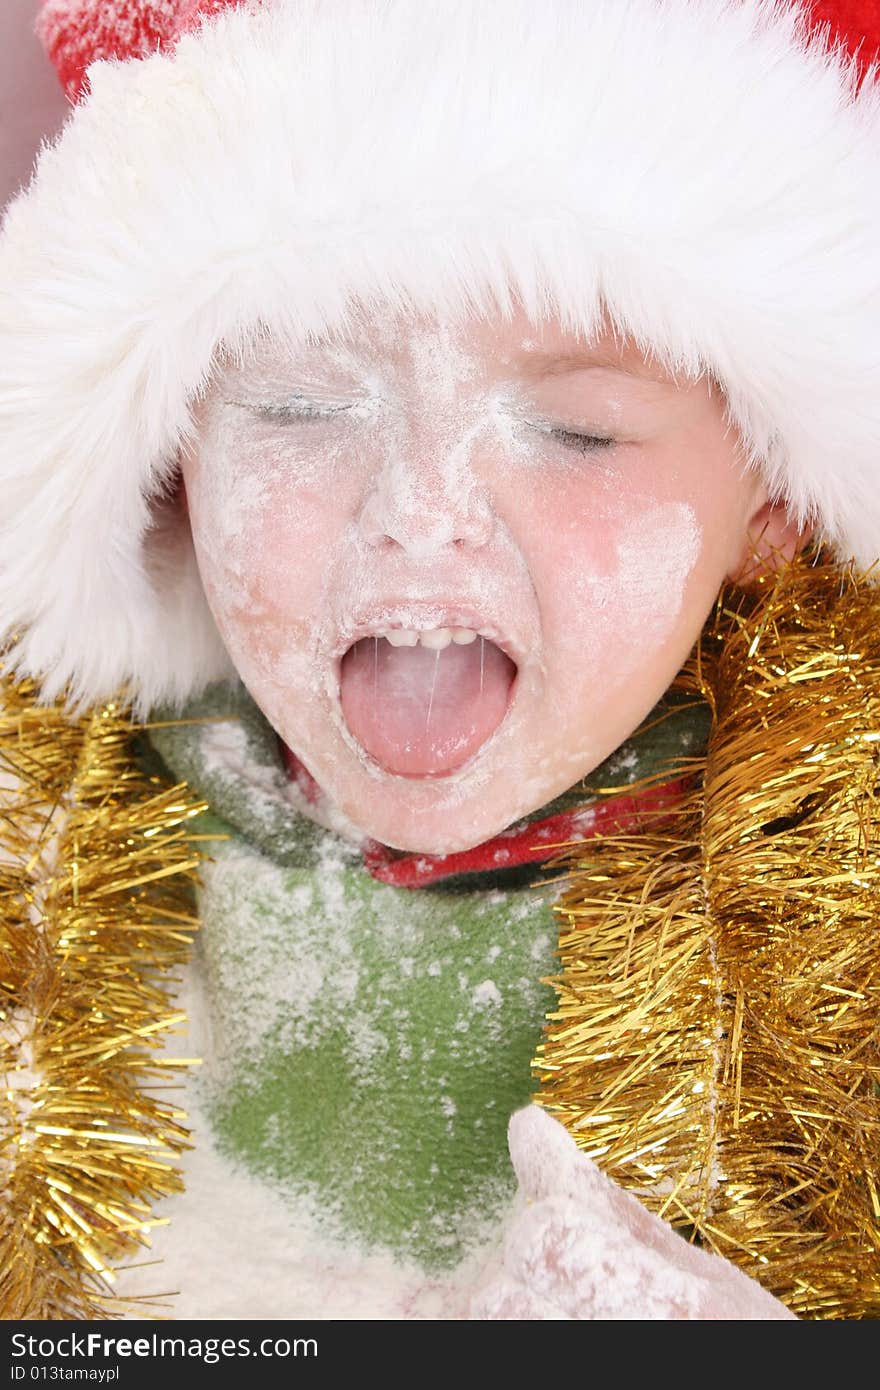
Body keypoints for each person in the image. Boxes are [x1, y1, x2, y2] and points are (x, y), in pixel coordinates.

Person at [1, 0, 878, 1320]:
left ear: (772, 498)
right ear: (172, 457)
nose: (422, 508)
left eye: (577, 431)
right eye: (300, 404)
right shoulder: (42, 840)